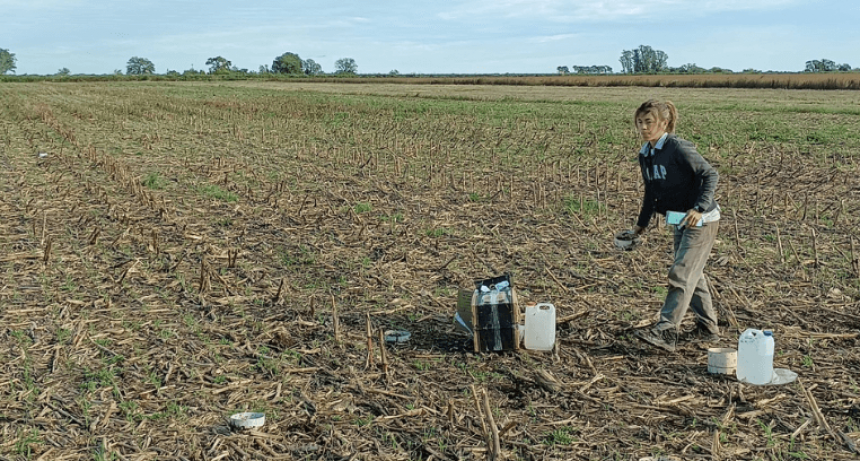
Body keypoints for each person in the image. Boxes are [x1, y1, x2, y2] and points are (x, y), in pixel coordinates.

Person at [628, 99, 721, 352]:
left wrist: (699, 208)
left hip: (700, 220)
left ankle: (667, 331)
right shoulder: (646, 154)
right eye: (640, 122)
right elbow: (651, 192)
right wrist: (640, 226)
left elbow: (710, 174)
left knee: (681, 273)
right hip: (679, 219)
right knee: (693, 274)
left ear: (664, 123)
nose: (644, 127)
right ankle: (708, 329)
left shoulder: (677, 148)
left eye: (649, 122)